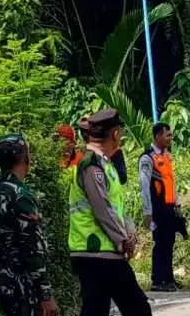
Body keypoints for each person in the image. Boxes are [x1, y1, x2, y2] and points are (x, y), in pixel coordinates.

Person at [68, 109, 151, 316]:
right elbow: (102, 208)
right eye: (120, 132)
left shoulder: (104, 163)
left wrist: (128, 233)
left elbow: (115, 206)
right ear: (114, 134)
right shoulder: (92, 165)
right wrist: (122, 240)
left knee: (98, 309)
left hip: (102, 251)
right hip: (97, 250)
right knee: (137, 308)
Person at [0, 134, 58, 316]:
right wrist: (45, 294)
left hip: (1, 282)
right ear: (24, 158)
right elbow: (33, 247)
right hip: (23, 285)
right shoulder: (20, 195)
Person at [138, 122, 181, 292]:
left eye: (170, 135)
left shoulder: (167, 156)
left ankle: (168, 279)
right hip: (157, 209)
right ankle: (158, 281)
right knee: (160, 244)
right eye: (167, 135)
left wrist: (177, 204)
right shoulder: (147, 158)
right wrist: (147, 211)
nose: (170, 138)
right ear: (157, 136)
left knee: (169, 243)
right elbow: (144, 186)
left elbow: (171, 181)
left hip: (169, 207)